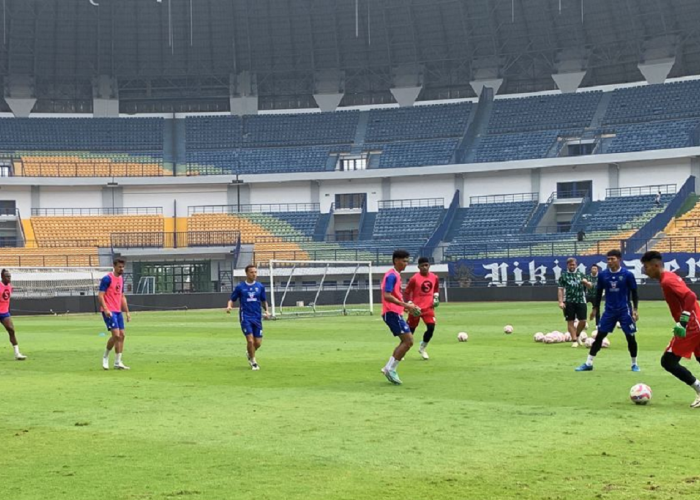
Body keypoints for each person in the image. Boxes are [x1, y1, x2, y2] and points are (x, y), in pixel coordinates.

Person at [640, 251, 700, 408]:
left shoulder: (667, 280)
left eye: (646, 267)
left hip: (691, 326)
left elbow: (691, 296)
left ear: (656, 265)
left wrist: (684, 321)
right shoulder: (668, 278)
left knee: (668, 361)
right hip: (696, 322)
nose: (644, 271)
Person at [575, 249, 640, 372]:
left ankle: (634, 364)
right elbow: (599, 293)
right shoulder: (603, 275)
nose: (609, 261)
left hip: (624, 310)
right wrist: (595, 309)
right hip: (609, 311)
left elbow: (634, 292)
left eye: (612, 259)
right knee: (599, 336)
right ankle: (589, 363)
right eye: (608, 259)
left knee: (630, 337)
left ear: (619, 259)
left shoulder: (627, 275)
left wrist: (635, 309)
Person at [380, 249, 420, 385]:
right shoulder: (392, 276)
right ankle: (390, 369)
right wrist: (405, 305)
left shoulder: (395, 275)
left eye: (407, 261)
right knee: (408, 341)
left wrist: (405, 307)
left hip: (394, 312)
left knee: (407, 341)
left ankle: (389, 368)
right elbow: (387, 295)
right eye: (404, 261)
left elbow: (395, 296)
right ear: (396, 261)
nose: (406, 264)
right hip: (391, 313)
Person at [227, 264, 270, 371]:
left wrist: (267, 311)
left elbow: (263, 301)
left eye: (255, 272)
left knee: (258, 343)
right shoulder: (240, 287)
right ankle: (253, 361)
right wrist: (229, 306)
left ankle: (249, 352)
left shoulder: (260, 286)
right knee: (250, 341)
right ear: (246, 273)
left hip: (257, 317)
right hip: (245, 317)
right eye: (251, 272)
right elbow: (232, 299)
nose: (254, 274)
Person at [404, 257, 440, 360]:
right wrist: (410, 303)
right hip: (416, 309)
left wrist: (436, 297)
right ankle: (403, 350)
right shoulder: (414, 278)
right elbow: (406, 292)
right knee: (410, 331)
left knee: (431, 328)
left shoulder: (434, 277)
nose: (424, 267)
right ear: (418, 267)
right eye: (422, 266)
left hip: (428, 308)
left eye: (426, 265)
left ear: (429, 266)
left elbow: (436, 289)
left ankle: (422, 348)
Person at [99, 258, 131, 370]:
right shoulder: (107, 279)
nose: (121, 269)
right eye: (119, 267)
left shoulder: (121, 279)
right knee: (116, 335)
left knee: (122, 335)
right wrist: (106, 309)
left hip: (117, 311)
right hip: (109, 311)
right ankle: (105, 357)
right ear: (114, 266)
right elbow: (100, 295)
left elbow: (122, 296)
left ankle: (118, 362)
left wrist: (127, 312)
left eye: (123, 267)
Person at [557, 257, 592, 347]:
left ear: (576, 265)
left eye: (573, 264)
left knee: (583, 321)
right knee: (570, 321)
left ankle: (577, 334)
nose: (572, 266)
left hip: (581, 300)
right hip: (568, 301)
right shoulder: (563, 276)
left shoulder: (581, 274)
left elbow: (590, 286)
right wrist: (560, 302)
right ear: (567, 265)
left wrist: (586, 283)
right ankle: (574, 340)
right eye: (570, 265)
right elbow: (560, 290)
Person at [0, 269, 27, 361]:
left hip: (4, 313)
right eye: (7, 276)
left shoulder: (9, 286)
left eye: (10, 276)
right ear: (2, 277)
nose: (9, 278)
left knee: (11, 330)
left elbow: (9, 291)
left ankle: (17, 353)